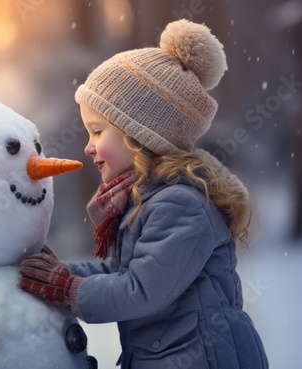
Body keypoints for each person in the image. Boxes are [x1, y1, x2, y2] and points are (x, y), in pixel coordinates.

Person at [19, 19, 269, 369]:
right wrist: (57, 271)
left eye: (97, 131)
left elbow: (141, 290)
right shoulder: (148, 198)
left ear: (139, 134)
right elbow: (119, 271)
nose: (88, 147)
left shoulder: (181, 204)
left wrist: (68, 288)